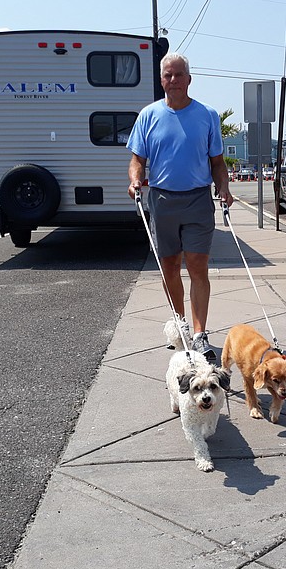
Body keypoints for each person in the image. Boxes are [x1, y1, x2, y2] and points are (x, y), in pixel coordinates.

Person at [127, 52, 233, 363]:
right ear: (161, 80)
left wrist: (223, 186)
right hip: (162, 200)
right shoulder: (148, 116)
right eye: (167, 76)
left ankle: (200, 334)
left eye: (178, 75)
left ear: (189, 79)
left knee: (198, 266)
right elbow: (137, 161)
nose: (173, 81)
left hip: (198, 200)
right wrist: (136, 181)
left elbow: (217, 163)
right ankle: (181, 327)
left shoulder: (207, 115)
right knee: (170, 268)